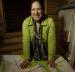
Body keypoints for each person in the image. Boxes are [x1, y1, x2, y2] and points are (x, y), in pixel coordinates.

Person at [20, 0, 56, 71]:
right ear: (30, 11)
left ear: (43, 10)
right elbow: (26, 41)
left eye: (39, 9)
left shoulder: (50, 21)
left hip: (46, 57)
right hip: (32, 56)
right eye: (33, 9)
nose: (36, 13)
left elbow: (52, 41)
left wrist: (51, 58)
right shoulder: (26, 22)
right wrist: (27, 58)